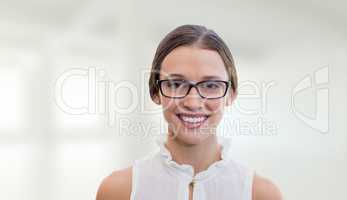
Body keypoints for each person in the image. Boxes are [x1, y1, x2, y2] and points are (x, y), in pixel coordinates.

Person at [96, 24, 283, 200]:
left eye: (211, 85)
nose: (193, 102)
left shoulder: (261, 194)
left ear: (231, 95)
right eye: (176, 84)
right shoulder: (118, 190)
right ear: (155, 92)